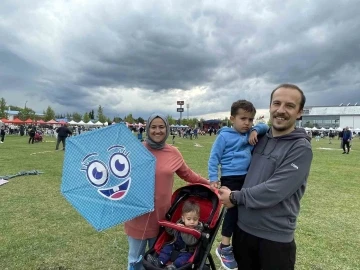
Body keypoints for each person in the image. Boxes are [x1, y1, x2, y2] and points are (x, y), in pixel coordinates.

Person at [218, 84, 313, 270]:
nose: (281, 110)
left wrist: (234, 197)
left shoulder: (300, 148)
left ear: (300, 112)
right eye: (276, 103)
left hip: (274, 239)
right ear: (269, 107)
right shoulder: (257, 139)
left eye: (289, 105)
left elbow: (275, 190)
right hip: (242, 231)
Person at [124, 113, 209, 270]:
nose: (158, 131)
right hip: (137, 215)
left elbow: (188, 174)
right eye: (153, 127)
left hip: (162, 217)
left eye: (161, 127)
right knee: (135, 260)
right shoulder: (136, 150)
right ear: (147, 129)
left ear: (167, 129)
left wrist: (208, 183)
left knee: (157, 259)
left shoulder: (173, 153)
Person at [208, 100, 268, 270]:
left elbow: (266, 127)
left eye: (250, 119)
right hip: (230, 178)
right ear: (232, 118)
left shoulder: (251, 132)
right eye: (243, 119)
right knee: (232, 211)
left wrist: (256, 129)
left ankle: (237, 244)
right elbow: (214, 158)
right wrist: (213, 178)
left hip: (247, 178)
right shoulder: (224, 136)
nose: (247, 123)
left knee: (245, 210)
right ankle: (224, 246)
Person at [146, 200, 203, 269]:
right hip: (174, 246)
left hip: (187, 251)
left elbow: (190, 242)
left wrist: (183, 230)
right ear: (183, 218)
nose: (192, 222)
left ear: (198, 219)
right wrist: (172, 226)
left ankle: (173, 267)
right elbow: (171, 232)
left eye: (195, 219)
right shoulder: (180, 223)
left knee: (184, 259)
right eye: (189, 219)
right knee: (166, 248)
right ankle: (159, 262)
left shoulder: (197, 229)